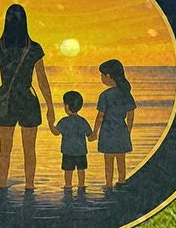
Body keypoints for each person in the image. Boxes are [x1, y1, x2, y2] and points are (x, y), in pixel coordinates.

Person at [0, 3, 54, 192]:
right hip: (28, 100)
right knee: (30, 150)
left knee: (5, 149)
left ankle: (2, 187)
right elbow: (42, 81)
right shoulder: (34, 48)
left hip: (6, 101)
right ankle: (29, 187)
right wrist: (50, 107)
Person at [92, 60, 135, 189]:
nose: (101, 78)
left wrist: (95, 132)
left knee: (108, 160)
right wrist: (128, 130)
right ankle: (121, 181)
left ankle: (109, 184)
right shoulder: (126, 93)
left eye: (102, 75)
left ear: (109, 76)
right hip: (121, 130)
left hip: (108, 131)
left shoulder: (105, 95)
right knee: (121, 159)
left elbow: (100, 117)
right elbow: (131, 114)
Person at [54, 90, 93, 190]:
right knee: (81, 170)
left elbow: (56, 132)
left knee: (68, 171)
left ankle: (68, 186)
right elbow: (90, 136)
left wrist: (50, 124)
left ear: (66, 106)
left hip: (68, 152)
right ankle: (81, 186)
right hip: (81, 152)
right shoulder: (83, 121)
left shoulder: (64, 121)